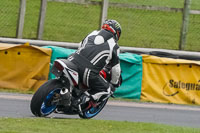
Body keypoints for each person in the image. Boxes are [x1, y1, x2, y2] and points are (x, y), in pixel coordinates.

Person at [68, 19, 122, 109]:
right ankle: (78, 101)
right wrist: (113, 83)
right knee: (106, 89)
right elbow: (116, 68)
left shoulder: (92, 33)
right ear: (116, 33)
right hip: (88, 71)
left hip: (72, 59)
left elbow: (80, 45)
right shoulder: (114, 46)